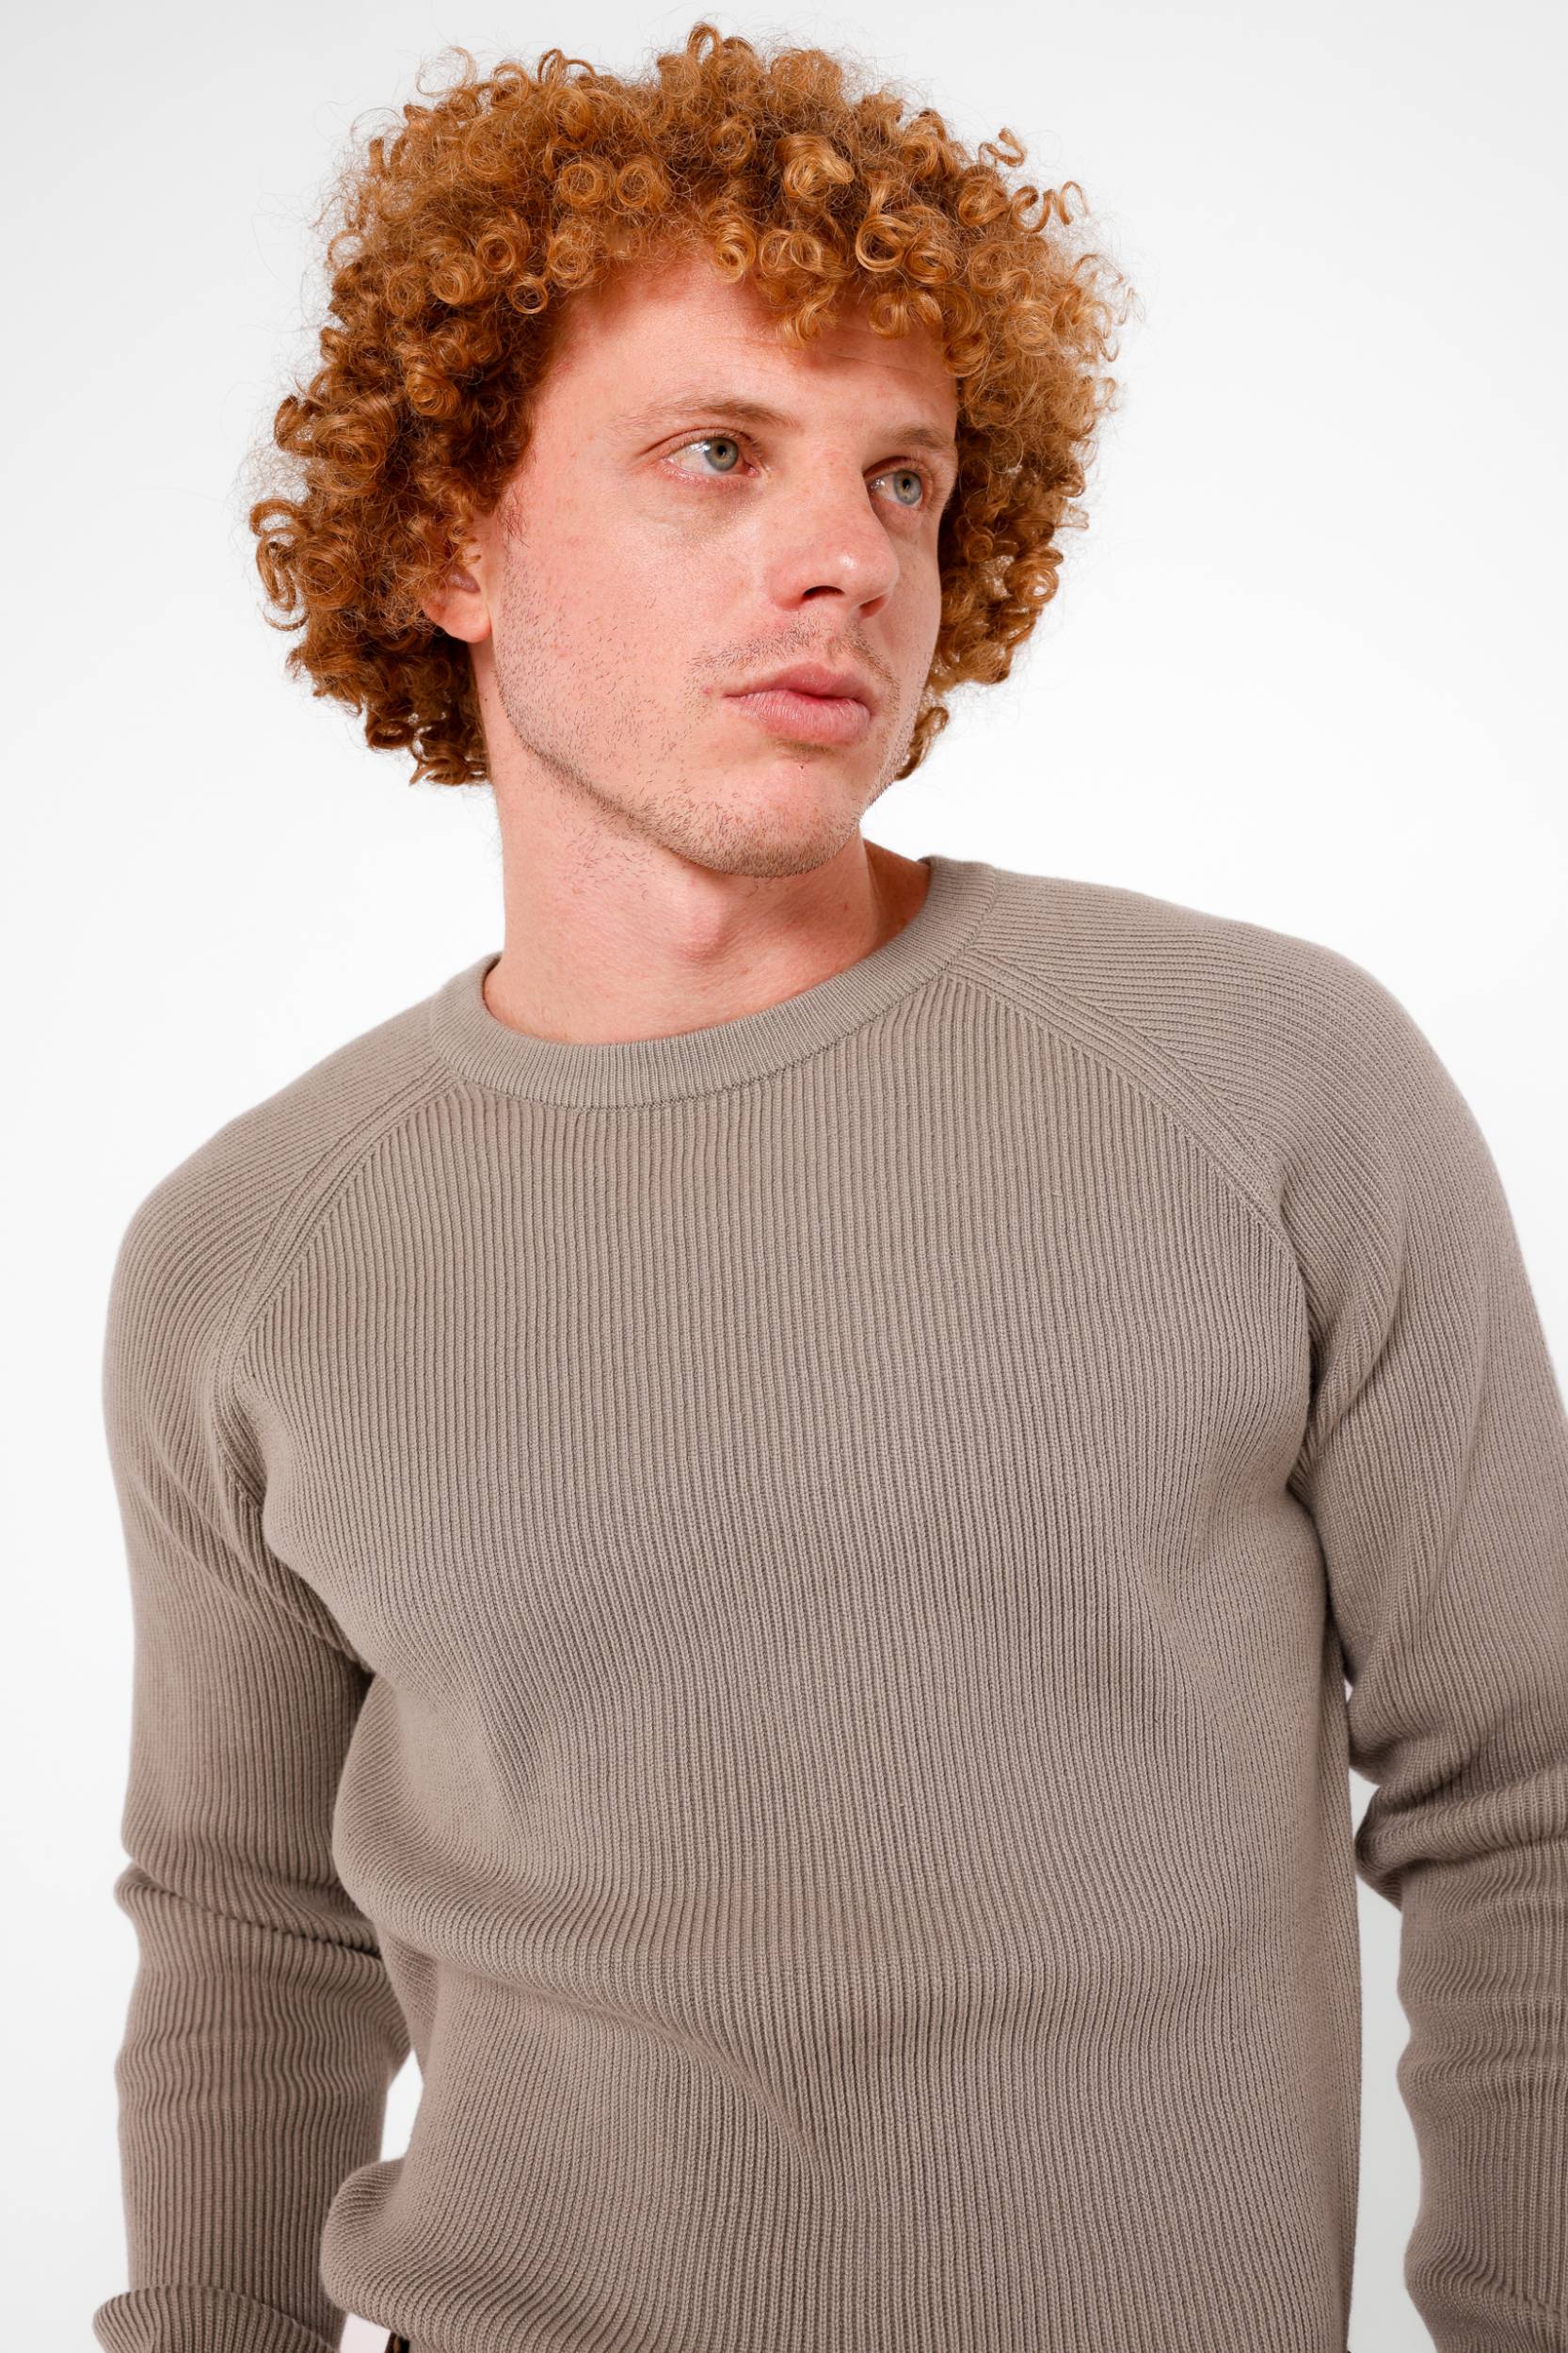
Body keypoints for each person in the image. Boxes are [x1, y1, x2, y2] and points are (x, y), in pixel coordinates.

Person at [91, 23, 1568, 2353]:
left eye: (904, 479)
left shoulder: (1269, 1081)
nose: (846, 559)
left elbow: (1529, 1802)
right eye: (717, 453)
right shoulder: (247, 1254)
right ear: (453, 538)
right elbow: (249, 1931)